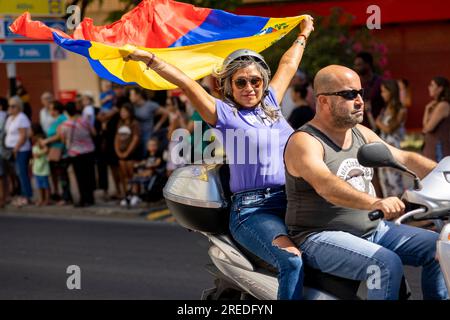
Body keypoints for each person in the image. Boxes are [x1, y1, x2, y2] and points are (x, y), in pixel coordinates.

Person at [124, 16, 315, 300]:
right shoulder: (223, 114)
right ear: (229, 87)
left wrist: (304, 33)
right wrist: (149, 58)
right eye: (241, 82)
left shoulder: (271, 102)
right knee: (291, 261)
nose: (250, 87)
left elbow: (288, 64)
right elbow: (185, 82)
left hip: (294, 200)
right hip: (254, 211)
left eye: (255, 80)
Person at [284, 65, 448, 300]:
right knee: (385, 264)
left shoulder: (360, 132)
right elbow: (326, 185)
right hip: (319, 236)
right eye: (349, 94)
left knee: (439, 246)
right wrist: (376, 202)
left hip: (374, 229)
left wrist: (443, 173)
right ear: (323, 101)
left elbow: (404, 157)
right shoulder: (305, 141)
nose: (360, 100)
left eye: (361, 93)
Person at [59, 102, 96, 207]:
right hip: (89, 151)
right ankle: (90, 198)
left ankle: (82, 199)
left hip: (75, 153)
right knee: (89, 175)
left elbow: (63, 139)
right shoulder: (85, 121)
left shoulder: (65, 125)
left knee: (80, 177)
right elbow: (94, 132)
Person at [376, 79, 407, 197]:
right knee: (384, 181)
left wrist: (379, 123)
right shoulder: (385, 109)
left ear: (391, 92)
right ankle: (389, 212)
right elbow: (379, 126)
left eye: (384, 91)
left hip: (393, 148)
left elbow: (390, 129)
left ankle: (400, 210)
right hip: (382, 148)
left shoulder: (401, 110)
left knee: (395, 181)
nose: (382, 94)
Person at [42, 101, 72, 205]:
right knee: (58, 174)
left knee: (63, 175)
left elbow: (59, 135)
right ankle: (61, 194)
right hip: (54, 150)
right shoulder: (56, 120)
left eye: (51, 109)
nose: (50, 111)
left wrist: (46, 141)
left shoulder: (62, 119)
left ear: (56, 110)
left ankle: (66, 197)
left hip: (61, 151)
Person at [5, 96, 33, 207]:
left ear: (19, 107)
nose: (10, 108)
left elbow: (23, 135)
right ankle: (20, 194)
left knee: (22, 173)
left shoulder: (22, 117)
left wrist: (16, 148)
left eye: (13, 106)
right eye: (9, 106)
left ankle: (27, 196)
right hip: (10, 149)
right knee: (15, 174)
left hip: (20, 149)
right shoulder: (10, 118)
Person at [129, 87, 169, 158]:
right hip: (136, 135)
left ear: (138, 95)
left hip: (147, 135)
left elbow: (166, 112)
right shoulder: (133, 107)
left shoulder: (150, 105)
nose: (130, 97)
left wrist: (157, 126)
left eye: (132, 95)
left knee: (145, 155)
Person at [126, 137, 166, 206]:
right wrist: (138, 164)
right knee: (136, 175)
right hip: (146, 171)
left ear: (157, 146)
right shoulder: (147, 154)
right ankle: (133, 195)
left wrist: (148, 164)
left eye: (154, 145)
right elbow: (143, 162)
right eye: (150, 145)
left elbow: (157, 163)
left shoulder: (158, 154)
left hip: (154, 173)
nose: (152, 147)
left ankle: (141, 195)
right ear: (147, 147)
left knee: (150, 171)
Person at [114, 103, 141, 203]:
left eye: (124, 111)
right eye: (121, 112)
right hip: (121, 152)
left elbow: (135, 138)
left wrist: (127, 152)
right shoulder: (120, 123)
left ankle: (135, 194)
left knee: (132, 174)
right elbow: (116, 137)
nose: (122, 113)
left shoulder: (134, 123)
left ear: (130, 112)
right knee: (124, 175)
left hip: (131, 153)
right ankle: (127, 194)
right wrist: (118, 151)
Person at [353, 51, 385, 131]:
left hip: (377, 128)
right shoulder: (355, 83)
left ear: (368, 64)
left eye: (359, 65)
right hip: (358, 127)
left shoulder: (380, 82)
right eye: (356, 65)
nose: (356, 67)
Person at [422, 76, 450, 162]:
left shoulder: (443, 105)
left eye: (432, 85)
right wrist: (427, 109)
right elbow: (424, 126)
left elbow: (428, 128)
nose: (429, 87)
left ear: (440, 88)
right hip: (432, 147)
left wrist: (427, 109)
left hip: (439, 149)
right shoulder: (435, 105)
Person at [31, 124, 51, 206]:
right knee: (39, 186)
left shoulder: (43, 144)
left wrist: (41, 151)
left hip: (44, 169)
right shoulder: (34, 145)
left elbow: (46, 150)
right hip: (37, 169)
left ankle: (47, 199)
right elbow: (35, 155)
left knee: (46, 186)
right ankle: (41, 199)